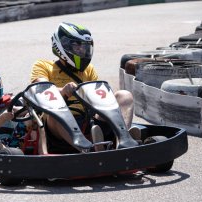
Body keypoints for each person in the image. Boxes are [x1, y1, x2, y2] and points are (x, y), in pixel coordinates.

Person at [30, 22, 137, 152]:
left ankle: (123, 139)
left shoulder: (88, 70)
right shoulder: (43, 66)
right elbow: (41, 89)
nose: (82, 50)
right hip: (57, 128)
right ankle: (88, 150)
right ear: (62, 44)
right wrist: (63, 91)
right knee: (56, 114)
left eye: (85, 47)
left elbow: (99, 98)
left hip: (87, 121)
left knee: (124, 96)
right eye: (77, 46)